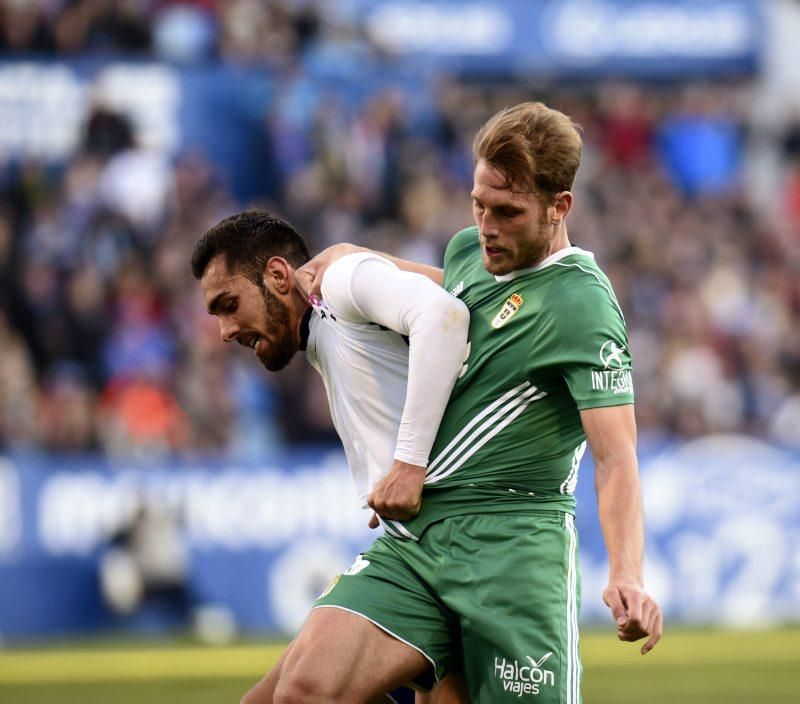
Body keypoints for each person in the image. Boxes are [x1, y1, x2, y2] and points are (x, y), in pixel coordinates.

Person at [291, 101, 663, 703]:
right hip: (422, 538)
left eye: (508, 212)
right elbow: (447, 287)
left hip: (516, 553)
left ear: (559, 207)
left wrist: (627, 574)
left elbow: (616, 455)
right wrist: (354, 258)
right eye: (478, 204)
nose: (487, 225)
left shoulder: (582, 306)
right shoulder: (472, 251)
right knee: (302, 692)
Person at [190, 210, 471, 703]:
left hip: (455, 541)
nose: (225, 331)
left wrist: (408, 464)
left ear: (278, 276)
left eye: (229, 304)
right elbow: (463, 294)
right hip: (419, 543)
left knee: (301, 693)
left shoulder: (339, 284)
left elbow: (445, 315)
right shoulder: (325, 329)